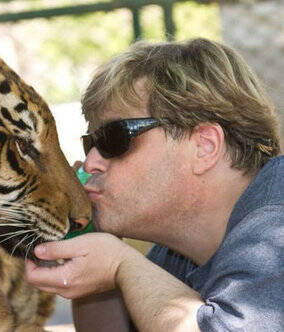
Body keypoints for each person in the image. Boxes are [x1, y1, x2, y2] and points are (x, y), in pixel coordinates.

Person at [25, 38, 283, 331]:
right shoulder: (178, 251)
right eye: (91, 144)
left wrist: (121, 265)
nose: (90, 163)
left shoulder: (276, 225)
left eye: (114, 139)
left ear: (204, 146)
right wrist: (93, 245)